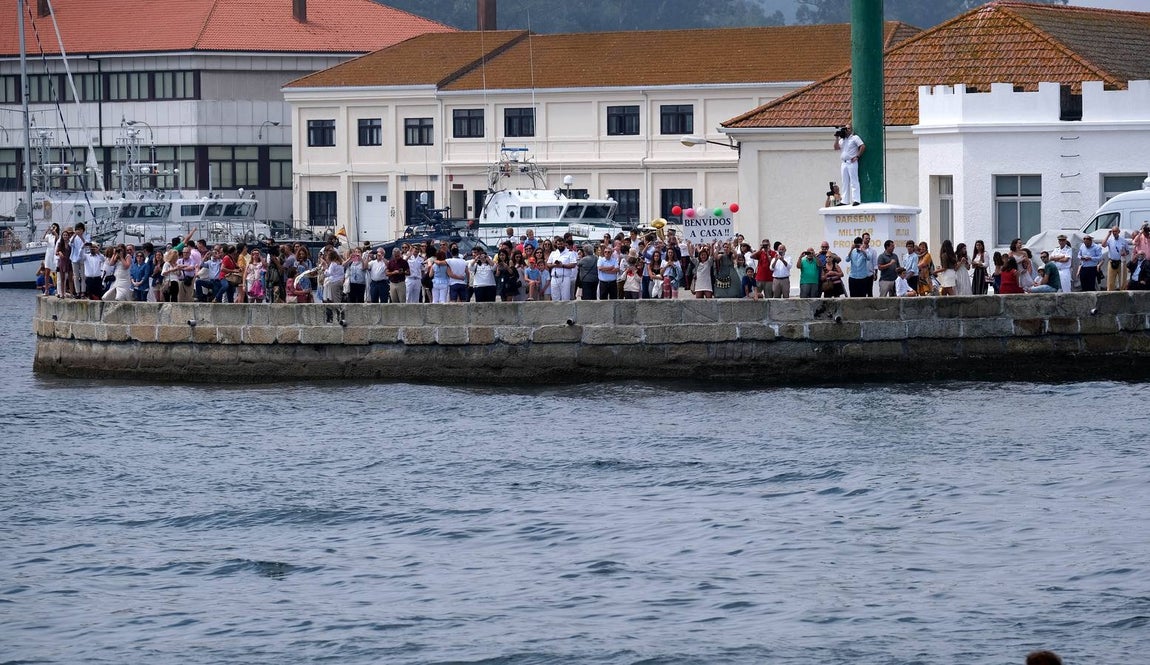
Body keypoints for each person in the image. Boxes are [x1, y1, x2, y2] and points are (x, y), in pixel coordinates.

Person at [833, 122, 865, 205]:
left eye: (848, 128)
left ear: (851, 130)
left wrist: (857, 156)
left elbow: (862, 146)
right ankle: (845, 200)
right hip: (844, 163)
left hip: (852, 162)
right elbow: (836, 148)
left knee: (854, 181)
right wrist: (837, 138)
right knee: (845, 181)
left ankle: (856, 199)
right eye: (846, 128)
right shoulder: (842, 140)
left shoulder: (854, 138)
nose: (846, 130)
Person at [1101, 225, 1130, 291]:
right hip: (1112, 262)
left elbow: (1128, 251)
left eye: (1115, 231)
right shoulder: (1110, 240)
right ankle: (1110, 295)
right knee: (1110, 282)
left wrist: (1125, 253)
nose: (1114, 233)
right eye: (1113, 231)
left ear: (1119, 232)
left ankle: (1123, 294)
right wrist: (1108, 235)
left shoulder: (1123, 240)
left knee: (1122, 281)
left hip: (1121, 262)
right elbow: (1103, 245)